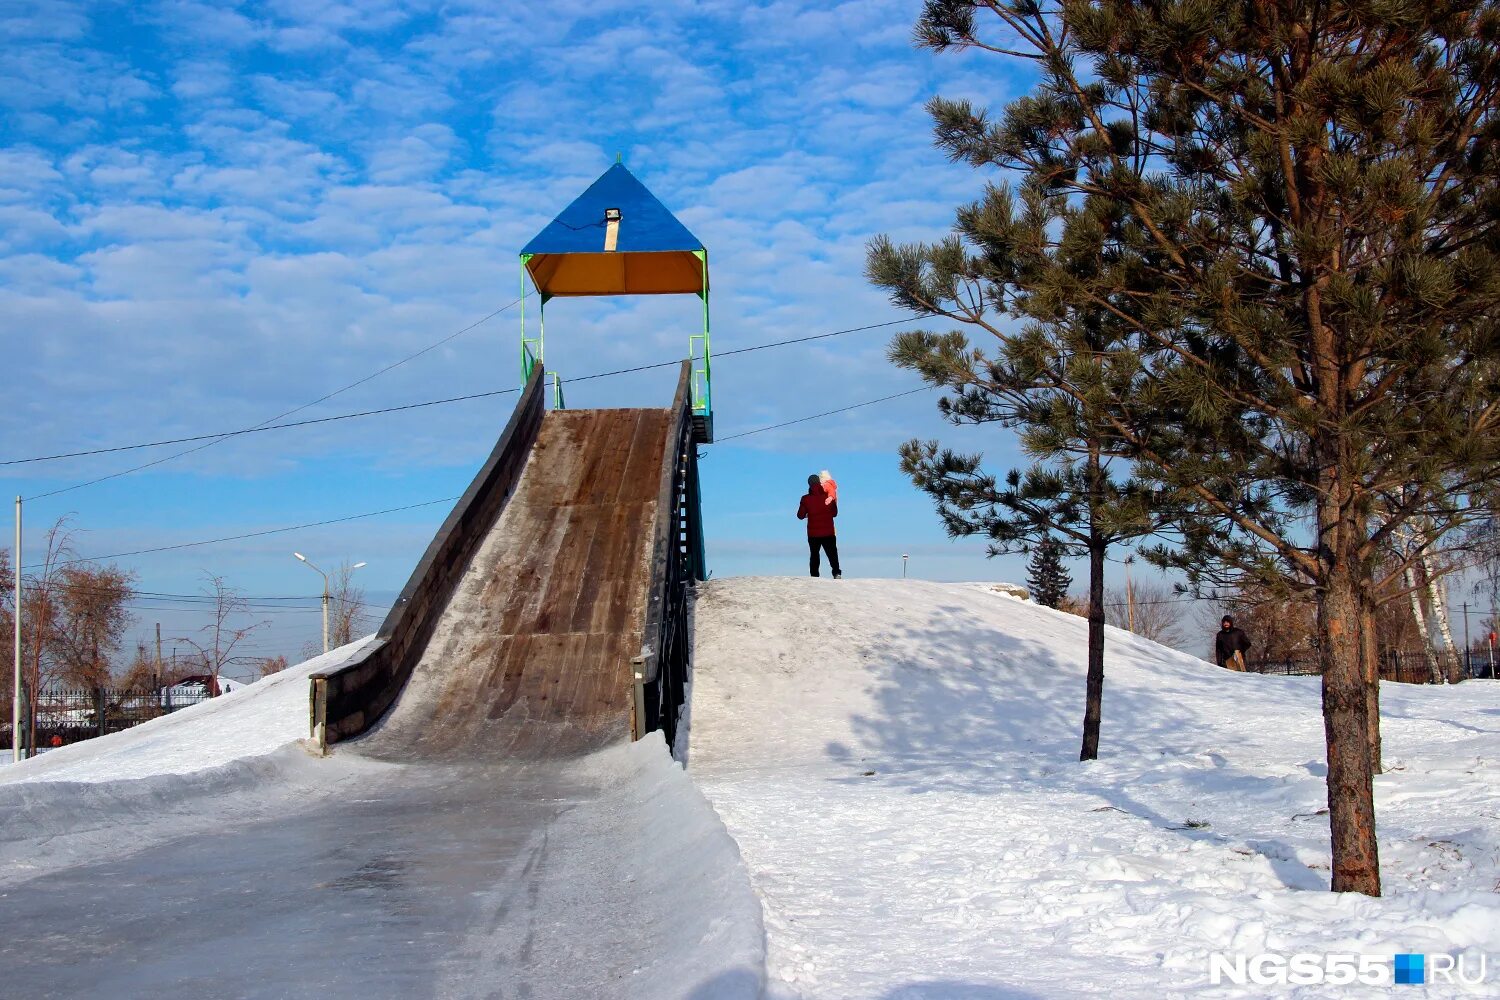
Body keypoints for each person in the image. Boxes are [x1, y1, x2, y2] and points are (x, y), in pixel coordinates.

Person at [797, 474, 841, 579]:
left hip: (813, 534)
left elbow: (800, 515)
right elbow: (834, 513)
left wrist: (809, 514)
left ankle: (814, 575)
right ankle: (836, 573)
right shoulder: (828, 497)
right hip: (828, 532)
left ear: (809, 484)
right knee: (832, 553)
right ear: (820, 483)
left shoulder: (805, 499)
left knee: (814, 554)